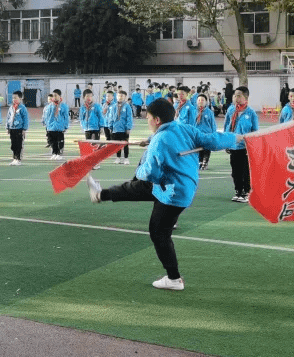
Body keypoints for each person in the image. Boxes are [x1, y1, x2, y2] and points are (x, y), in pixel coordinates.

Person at [87, 98, 243, 291]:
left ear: (157, 120)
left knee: (158, 232)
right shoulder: (183, 128)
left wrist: (147, 159)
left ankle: (174, 279)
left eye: (148, 118)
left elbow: (150, 174)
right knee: (133, 189)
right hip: (180, 185)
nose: (147, 121)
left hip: (172, 192)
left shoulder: (160, 141)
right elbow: (212, 140)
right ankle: (100, 195)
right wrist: (235, 137)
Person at [222, 86, 258, 202]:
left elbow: (255, 131)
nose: (235, 98)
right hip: (233, 145)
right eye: (234, 95)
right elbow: (226, 126)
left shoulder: (251, 113)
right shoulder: (231, 110)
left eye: (239, 95)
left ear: (245, 97)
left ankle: (247, 192)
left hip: (245, 147)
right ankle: (238, 191)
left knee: (245, 171)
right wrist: (225, 142)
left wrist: (251, 147)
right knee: (235, 171)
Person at [43, 89, 69, 159]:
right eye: (53, 95)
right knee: (52, 141)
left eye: (55, 95)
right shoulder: (50, 106)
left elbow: (66, 117)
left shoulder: (63, 106)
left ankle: (59, 154)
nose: (54, 97)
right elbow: (47, 116)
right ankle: (54, 153)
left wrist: (65, 126)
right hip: (51, 127)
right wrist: (47, 124)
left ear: (59, 96)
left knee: (59, 140)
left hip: (60, 126)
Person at [193, 92, 216, 170]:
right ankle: (200, 161)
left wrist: (213, 134)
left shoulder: (209, 112)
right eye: (199, 100)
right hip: (197, 134)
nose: (200, 101)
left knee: (206, 149)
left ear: (206, 102)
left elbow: (213, 124)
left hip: (207, 134)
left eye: (202, 100)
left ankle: (205, 162)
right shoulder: (194, 111)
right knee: (198, 149)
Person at [111, 90, 134, 165]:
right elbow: (111, 117)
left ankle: (126, 158)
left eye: (122, 96)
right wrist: (111, 126)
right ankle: (118, 157)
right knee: (117, 144)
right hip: (115, 128)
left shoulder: (127, 106)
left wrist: (128, 127)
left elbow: (129, 118)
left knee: (125, 144)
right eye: (118, 96)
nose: (120, 97)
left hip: (124, 129)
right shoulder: (114, 106)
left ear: (125, 97)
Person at [5, 90, 29, 165]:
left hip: (19, 129)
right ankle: (14, 158)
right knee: (13, 145)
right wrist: (8, 127)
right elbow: (8, 117)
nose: (14, 99)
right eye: (13, 98)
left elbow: (25, 119)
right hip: (12, 129)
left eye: (15, 98)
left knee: (19, 144)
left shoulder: (22, 108)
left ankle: (18, 159)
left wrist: (24, 129)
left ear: (20, 98)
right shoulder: (11, 108)